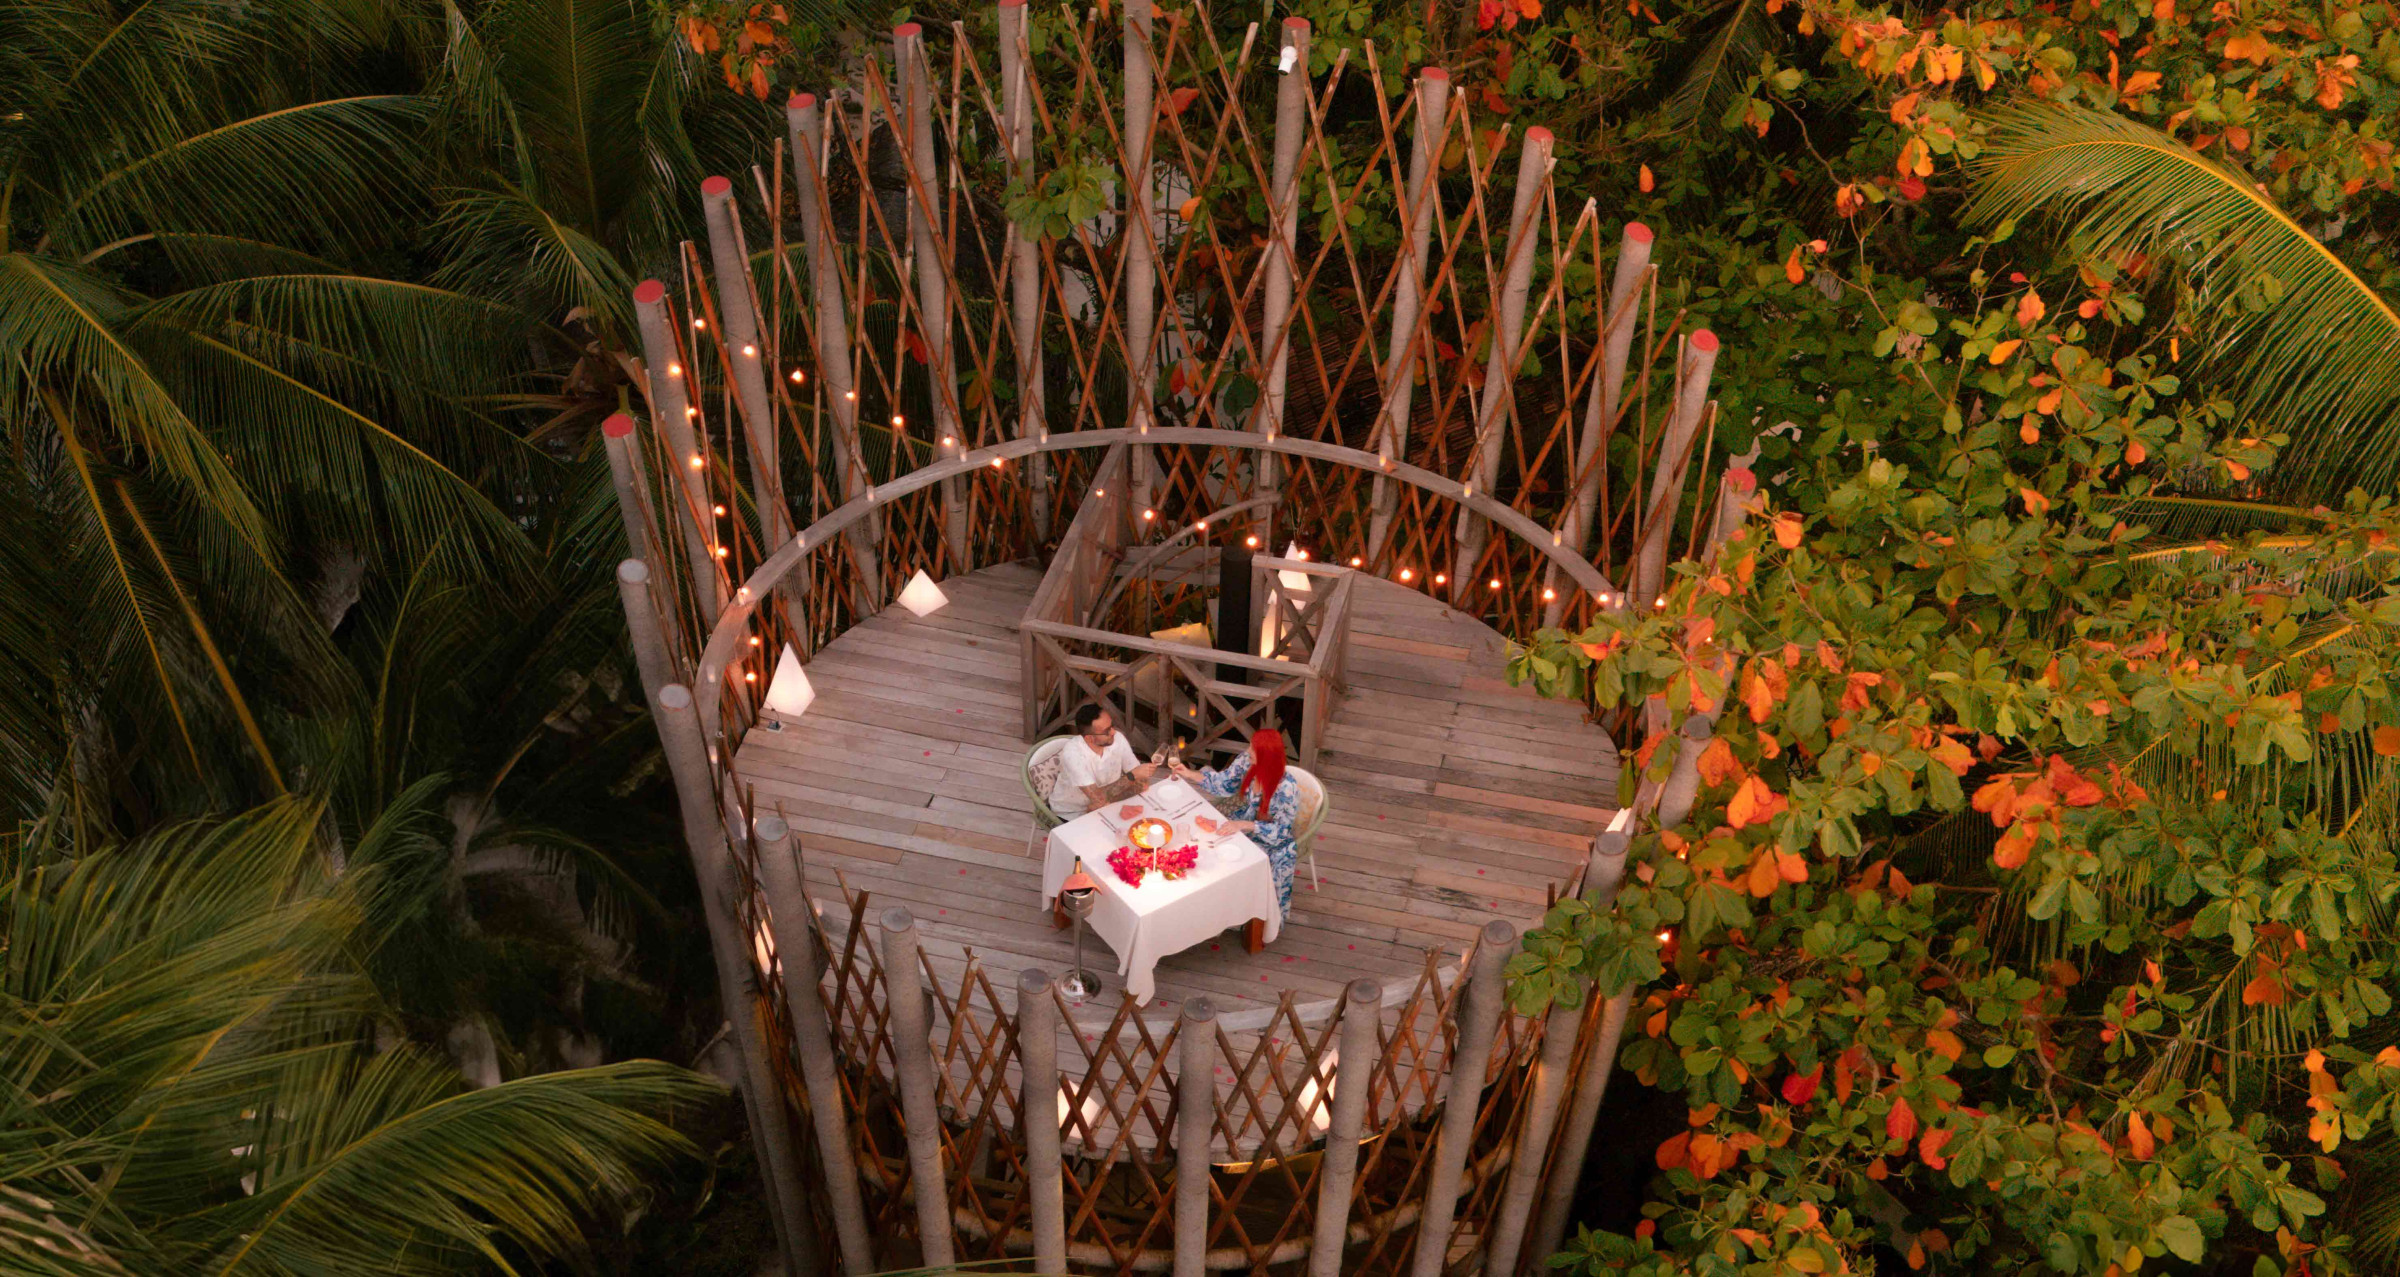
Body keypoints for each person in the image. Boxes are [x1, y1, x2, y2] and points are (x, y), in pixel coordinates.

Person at [1169, 729, 1303, 918]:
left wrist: (1243, 825)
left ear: (1267, 756)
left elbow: (1281, 830)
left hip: (1273, 841)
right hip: (1247, 822)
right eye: (1250, 746)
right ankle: (1224, 905)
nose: (1249, 751)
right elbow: (1223, 783)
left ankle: (1252, 914)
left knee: (1231, 861)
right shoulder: (1246, 761)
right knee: (1210, 846)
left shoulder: (1287, 788)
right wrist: (1190, 774)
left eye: (1254, 750)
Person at [1050, 704, 1159, 817]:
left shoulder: (1117, 739)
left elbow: (1142, 784)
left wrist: (1106, 801)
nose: (1113, 732)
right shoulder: (1072, 754)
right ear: (1089, 738)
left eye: (1112, 726)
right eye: (1107, 731)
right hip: (1071, 813)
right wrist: (1131, 776)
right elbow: (1098, 799)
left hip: (1108, 804)